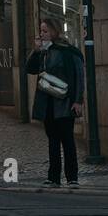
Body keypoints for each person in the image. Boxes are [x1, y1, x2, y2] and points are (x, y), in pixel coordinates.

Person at [26, 16, 85, 188]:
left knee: (67, 140)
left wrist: (78, 101)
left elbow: (79, 77)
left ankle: (72, 177)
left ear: (54, 31)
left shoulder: (69, 51)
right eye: (41, 31)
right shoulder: (43, 52)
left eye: (45, 31)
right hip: (47, 103)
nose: (42, 34)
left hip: (65, 103)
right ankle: (53, 178)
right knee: (52, 141)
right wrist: (35, 51)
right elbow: (29, 69)